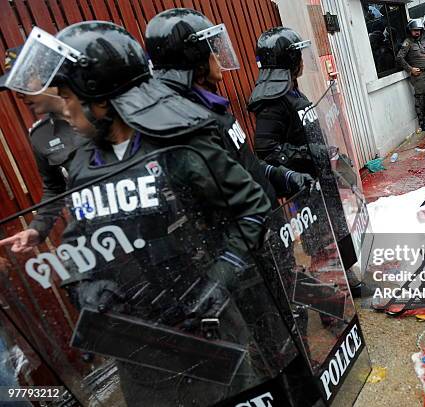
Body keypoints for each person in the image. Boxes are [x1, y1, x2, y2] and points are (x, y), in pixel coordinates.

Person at [5, 21, 295, 406]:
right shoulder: (83, 163)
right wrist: (86, 287)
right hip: (142, 353)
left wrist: (217, 281)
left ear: (102, 100)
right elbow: (78, 238)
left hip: (209, 332)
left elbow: (253, 210)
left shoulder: (179, 145)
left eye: (70, 96)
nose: (65, 108)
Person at [143, 8, 312, 209]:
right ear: (195, 59)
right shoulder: (187, 123)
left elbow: (242, 164)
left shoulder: (212, 108)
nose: (217, 56)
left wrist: (280, 175)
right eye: (212, 50)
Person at [247, 26, 364, 292]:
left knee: (336, 229)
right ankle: (330, 302)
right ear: (287, 59)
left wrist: (330, 154)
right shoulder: (271, 102)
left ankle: (348, 279)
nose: (302, 61)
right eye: (297, 55)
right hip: (305, 185)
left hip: (321, 177)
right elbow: (266, 152)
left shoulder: (292, 91)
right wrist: (308, 155)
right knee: (320, 242)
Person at [0, 47, 87, 254]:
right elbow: (55, 189)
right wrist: (37, 229)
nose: (19, 94)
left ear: (49, 74)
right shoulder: (41, 136)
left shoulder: (101, 109)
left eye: (24, 82)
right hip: (97, 235)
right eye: (14, 87)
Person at [396, 18, 425, 131]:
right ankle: (422, 123)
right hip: (418, 76)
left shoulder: (420, 42)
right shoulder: (408, 42)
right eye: (414, 30)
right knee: (420, 99)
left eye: (418, 30)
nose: (417, 32)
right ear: (410, 31)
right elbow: (399, 58)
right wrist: (410, 69)